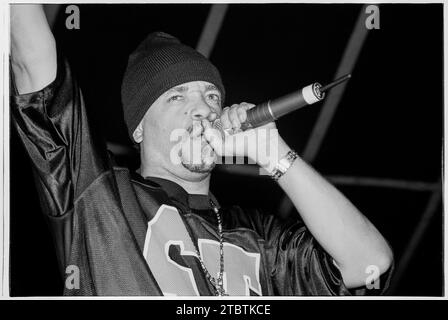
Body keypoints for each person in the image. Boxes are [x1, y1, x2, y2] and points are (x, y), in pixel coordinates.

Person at [10, 4, 393, 296]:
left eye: (211, 95)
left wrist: (275, 155)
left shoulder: (257, 234)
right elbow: (30, 54)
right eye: (176, 96)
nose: (205, 108)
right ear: (139, 127)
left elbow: (370, 265)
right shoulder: (97, 194)